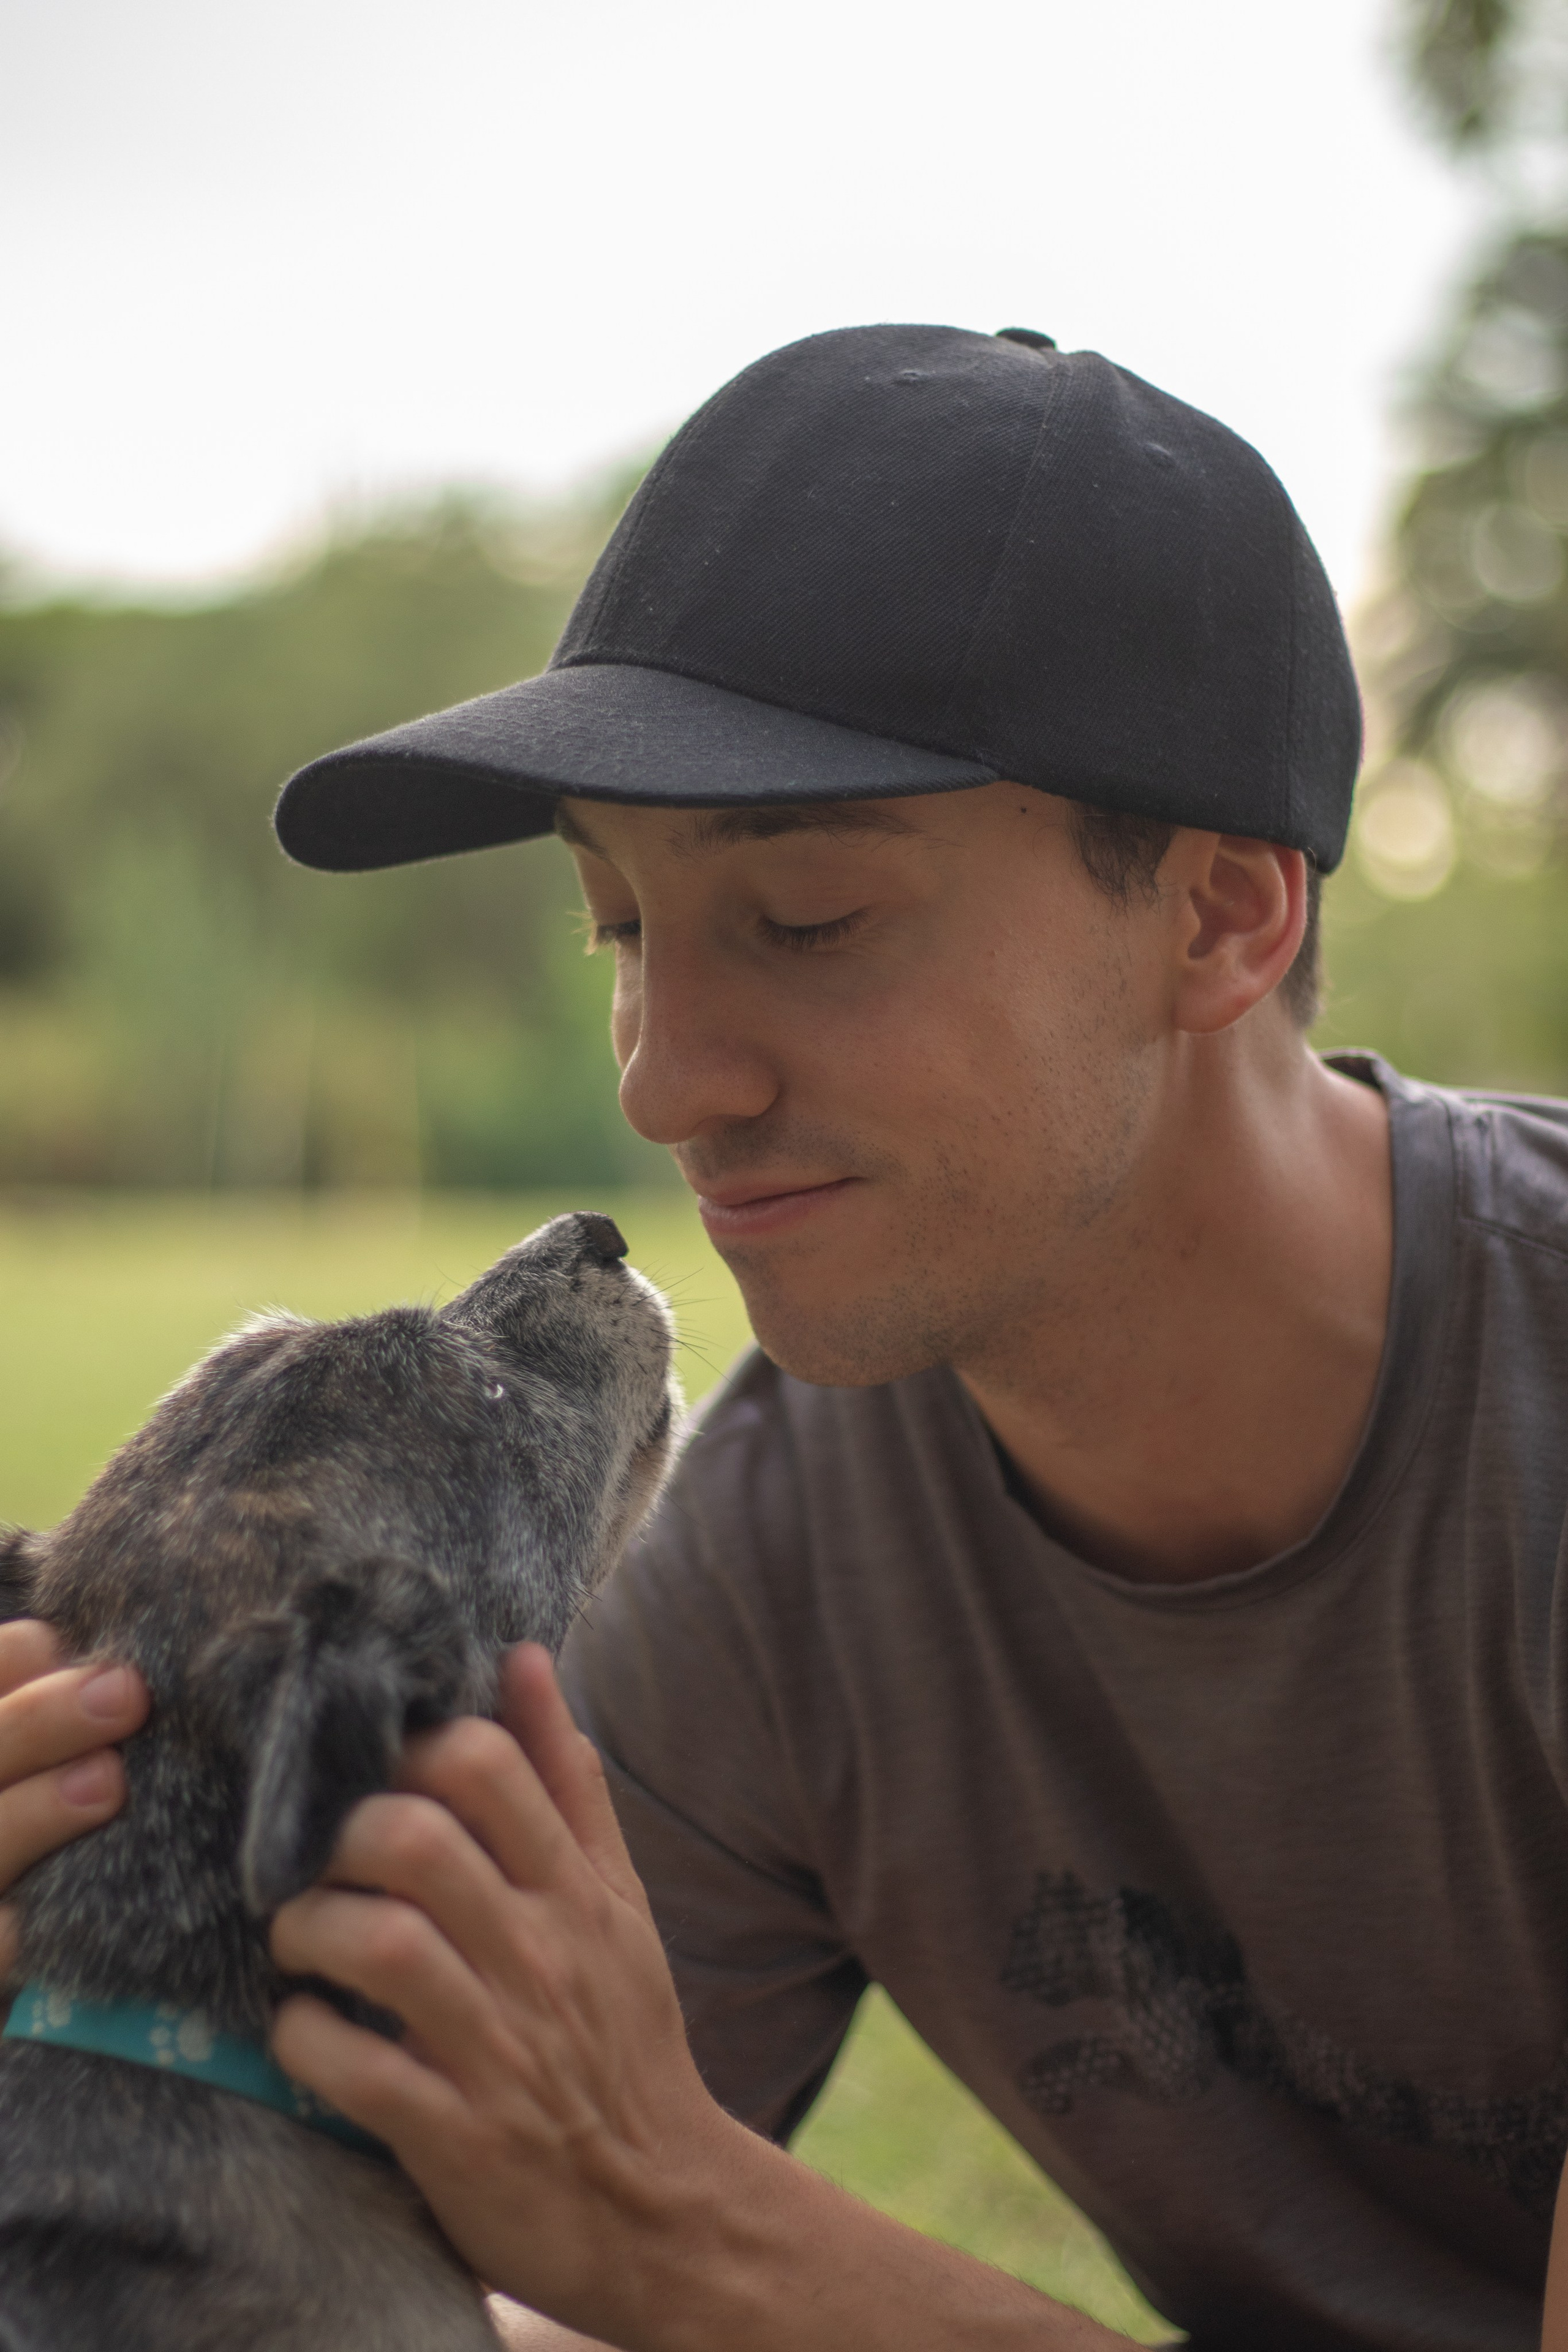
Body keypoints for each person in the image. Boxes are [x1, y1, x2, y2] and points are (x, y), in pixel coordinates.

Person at [3, 323, 1566, 2350]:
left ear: (1220, 917)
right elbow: (493, 2269)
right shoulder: (784, 1559)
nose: (661, 1083)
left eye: (809, 919)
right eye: (621, 928)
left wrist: (684, 2223)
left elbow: (637, 2221)